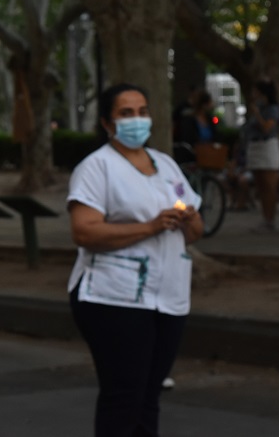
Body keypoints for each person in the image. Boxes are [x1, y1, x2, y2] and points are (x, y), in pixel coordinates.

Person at [66, 83, 204, 436]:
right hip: (113, 297)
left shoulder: (167, 165)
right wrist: (150, 226)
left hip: (168, 295)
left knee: (149, 395)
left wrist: (188, 219)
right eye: (125, 114)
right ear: (107, 123)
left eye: (142, 112)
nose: (137, 120)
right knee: (123, 395)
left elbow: (196, 230)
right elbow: (84, 232)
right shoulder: (96, 168)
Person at [244, 79, 279, 232]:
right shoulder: (259, 107)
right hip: (255, 146)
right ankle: (264, 218)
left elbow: (267, 127)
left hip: (267, 147)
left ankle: (270, 219)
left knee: (269, 186)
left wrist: (257, 115)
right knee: (260, 185)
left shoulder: (272, 109)